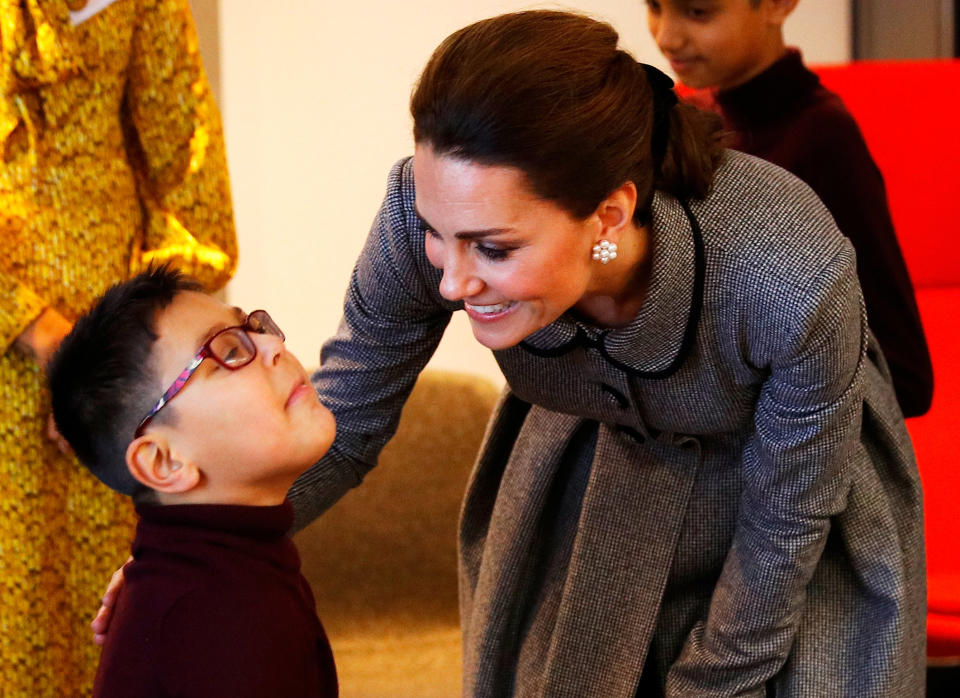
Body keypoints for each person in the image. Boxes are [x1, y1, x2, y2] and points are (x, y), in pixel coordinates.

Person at [98, 10, 925, 697]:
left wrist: (707, 686)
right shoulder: (424, 216)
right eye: (436, 237)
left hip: (785, 503)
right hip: (595, 474)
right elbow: (343, 416)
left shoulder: (789, 268)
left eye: (493, 249)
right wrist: (181, 556)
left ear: (608, 212)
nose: (453, 282)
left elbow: (784, 527)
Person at [0, 0, 237, 693]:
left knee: (121, 614)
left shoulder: (150, 7)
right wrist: (39, 331)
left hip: (120, 360)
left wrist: (119, 355)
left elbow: (192, 188)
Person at [48, 266, 339, 697]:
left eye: (252, 327)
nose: (274, 343)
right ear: (164, 461)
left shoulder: (229, 569)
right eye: (228, 352)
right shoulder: (211, 624)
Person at [645, 0, 933, 418]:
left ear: (778, 5)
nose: (667, 36)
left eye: (698, 12)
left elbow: (902, 374)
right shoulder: (693, 118)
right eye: (654, 7)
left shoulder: (822, 138)